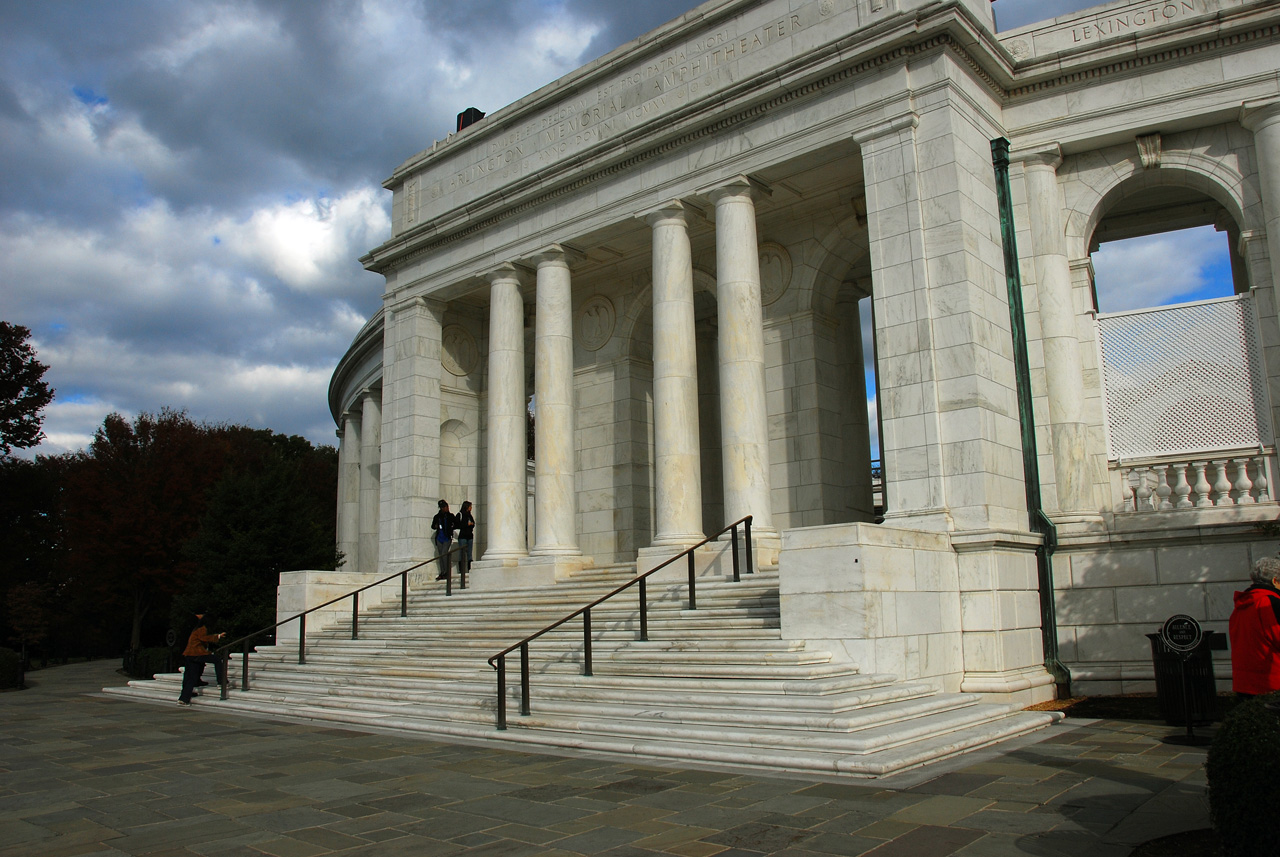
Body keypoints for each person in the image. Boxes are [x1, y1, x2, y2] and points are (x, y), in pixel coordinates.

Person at [1229, 556, 1280, 698]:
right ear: (1275, 581)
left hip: (1244, 682)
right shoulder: (1270, 602)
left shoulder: (1241, 605)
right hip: (1271, 681)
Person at [177, 612, 227, 706]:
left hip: (189, 654)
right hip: (196, 654)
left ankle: (184, 697)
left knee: (189, 676)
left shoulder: (196, 628)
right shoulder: (202, 629)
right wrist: (218, 636)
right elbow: (204, 638)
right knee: (216, 660)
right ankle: (221, 681)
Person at [431, 499, 458, 580]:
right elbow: (432, 526)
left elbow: (456, 524)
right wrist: (435, 526)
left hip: (447, 538)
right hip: (439, 538)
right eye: (444, 507)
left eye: (446, 507)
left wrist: (452, 527)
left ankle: (446, 572)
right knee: (441, 555)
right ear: (441, 508)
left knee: (444, 554)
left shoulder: (450, 516)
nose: (446, 508)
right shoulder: (437, 516)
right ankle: (442, 572)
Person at [456, 500, 476, 576]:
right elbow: (457, 524)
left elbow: (473, 524)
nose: (471, 508)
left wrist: (471, 524)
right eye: (470, 506)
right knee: (462, 553)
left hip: (469, 536)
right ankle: (461, 570)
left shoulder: (470, 515)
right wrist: (466, 524)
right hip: (463, 536)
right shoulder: (460, 514)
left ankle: (470, 569)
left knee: (469, 554)